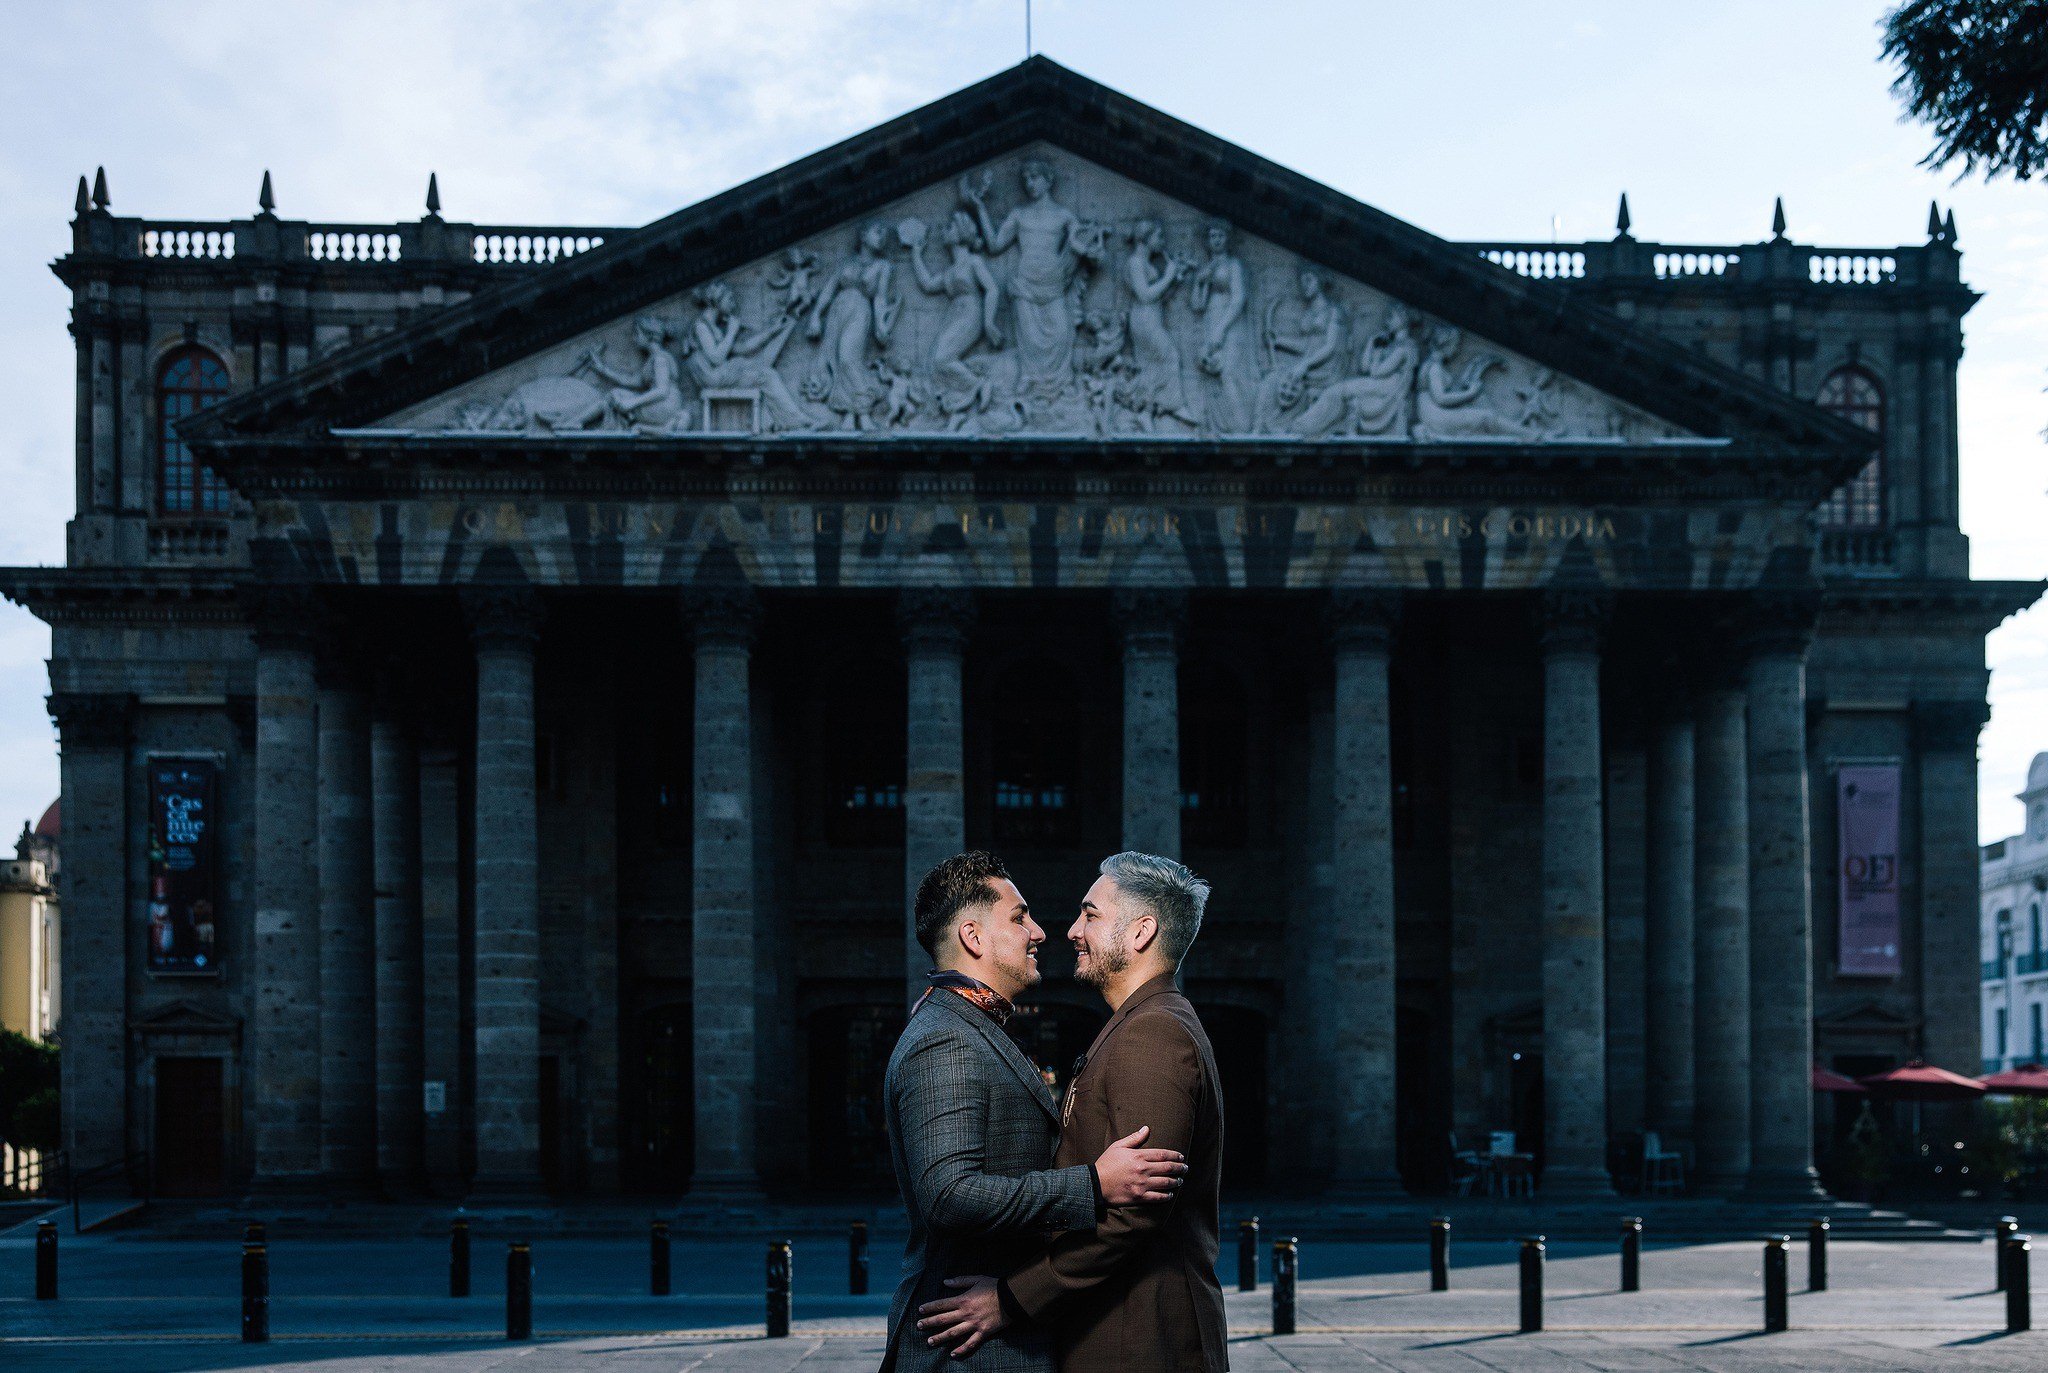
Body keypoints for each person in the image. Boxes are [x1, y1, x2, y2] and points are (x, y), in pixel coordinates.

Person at [917, 852, 1228, 1372]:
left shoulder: (1153, 1034)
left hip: (1139, 1341)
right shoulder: (1137, 1025)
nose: (1069, 931)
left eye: (1090, 914)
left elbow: (1135, 1211)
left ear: (1141, 932)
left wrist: (1011, 1298)